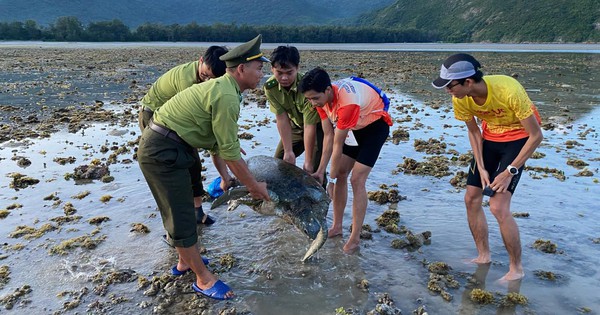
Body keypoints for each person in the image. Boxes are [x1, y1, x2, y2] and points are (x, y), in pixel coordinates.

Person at [137, 34, 271, 300]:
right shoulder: (226, 95)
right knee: (181, 214)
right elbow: (231, 155)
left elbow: (222, 144)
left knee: (186, 207)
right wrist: (254, 188)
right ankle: (203, 279)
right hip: (162, 150)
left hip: (174, 145)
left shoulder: (226, 89)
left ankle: (185, 262)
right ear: (242, 69)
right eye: (259, 68)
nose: (262, 74)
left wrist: (229, 157)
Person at [432, 53, 543, 281]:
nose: (447, 91)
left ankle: (516, 269)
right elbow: (474, 131)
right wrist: (481, 167)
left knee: (497, 206)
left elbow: (536, 135)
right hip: (491, 139)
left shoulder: (509, 90)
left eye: (450, 86)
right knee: (471, 198)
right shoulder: (460, 98)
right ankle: (483, 256)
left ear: (468, 82)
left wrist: (509, 171)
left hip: (519, 139)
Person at [299, 67, 393, 254]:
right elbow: (328, 136)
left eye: (315, 98)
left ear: (328, 90)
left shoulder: (346, 103)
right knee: (341, 172)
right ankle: (337, 226)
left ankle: (355, 238)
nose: (313, 103)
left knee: (356, 179)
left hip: (374, 128)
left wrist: (331, 181)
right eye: (308, 99)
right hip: (354, 129)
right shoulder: (320, 102)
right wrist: (321, 171)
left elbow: (338, 143)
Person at [138, 45, 228, 225]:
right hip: (154, 117)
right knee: (176, 166)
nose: (208, 81)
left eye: (213, 79)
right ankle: (176, 222)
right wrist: (219, 142)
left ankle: (196, 212)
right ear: (200, 60)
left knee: (193, 163)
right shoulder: (186, 80)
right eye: (205, 75)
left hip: (172, 121)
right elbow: (188, 117)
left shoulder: (211, 82)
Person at [263, 46, 324, 178]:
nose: (284, 78)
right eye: (279, 73)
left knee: (313, 170)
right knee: (279, 163)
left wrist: (307, 161)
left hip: (316, 128)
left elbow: (310, 125)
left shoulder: (307, 88)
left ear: (297, 68)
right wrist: (288, 151)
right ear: (272, 69)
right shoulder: (270, 87)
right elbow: (282, 118)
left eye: (289, 73)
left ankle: (322, 195)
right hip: (295, 127)